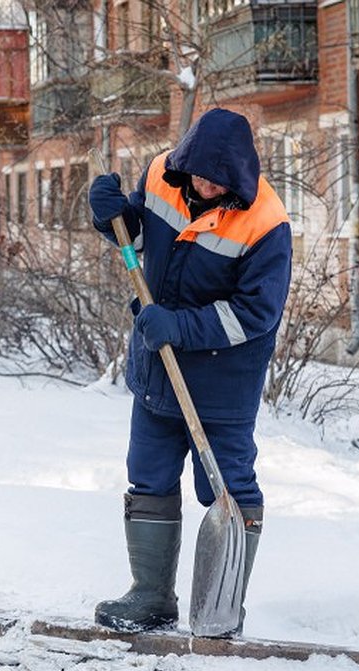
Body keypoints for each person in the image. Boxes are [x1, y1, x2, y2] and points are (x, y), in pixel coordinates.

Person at [87, 108, 292, 635]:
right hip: (157, 370)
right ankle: (151, 595)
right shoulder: (162, 173)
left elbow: (255, 315)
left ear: (239, 178)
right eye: (197, 174)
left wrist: (178, 326)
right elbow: (136, 241)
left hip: (223, 384)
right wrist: (114, 217)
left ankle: (222, 608)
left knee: (227, 486)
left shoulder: (266, 223)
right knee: (148, 475)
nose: (202, 185)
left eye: (215, 181)